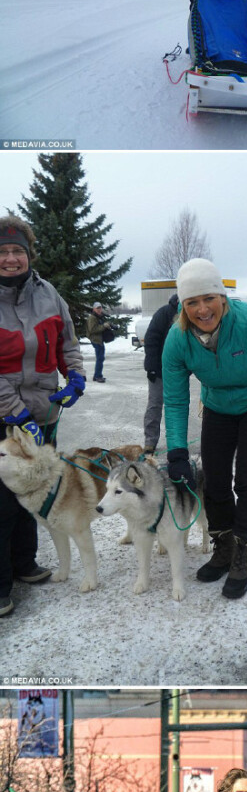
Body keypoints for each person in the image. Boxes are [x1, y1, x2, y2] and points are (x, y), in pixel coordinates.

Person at [162, 257, 247, 599]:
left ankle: (242, 556)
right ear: (183, 306)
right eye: (192, 302)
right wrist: (176, 451)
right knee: (215, 482)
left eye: (209, 298)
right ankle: (224, 548)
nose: (203, 309)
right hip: (218, 408)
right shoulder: (177, 339)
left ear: (222, 296)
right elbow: (175, 399)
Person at [0, 214, 85, 620]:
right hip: (5, 419)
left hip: (44, 414)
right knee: (2, 501)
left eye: (17, 251)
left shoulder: (49, 294)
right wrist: (14, 413)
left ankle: (23, 562)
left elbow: (68, 343)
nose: (10, 259)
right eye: (2, 252)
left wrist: (76, 377)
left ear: (29, 254)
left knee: (32, 493)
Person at [143, 292, 178, 453]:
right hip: (159, 370)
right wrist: (151, 367)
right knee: (155, 404)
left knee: (175, 406)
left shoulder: (191, 313)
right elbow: (151, 339)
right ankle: (150, 441)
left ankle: (176, 442)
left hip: (178, 371)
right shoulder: (164, 313)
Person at [87, 302, 119, 384]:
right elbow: (92, 330)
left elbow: (101, 324)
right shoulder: (92, 318)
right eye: (97, 308)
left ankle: (96, 376)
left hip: (99, 339)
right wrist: (104, 326)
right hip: (96, 340)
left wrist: (109, 324)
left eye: (100, 308)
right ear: (94, 309)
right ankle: (98, 376)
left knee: (100, 358)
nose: (99, 309)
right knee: (100, 358)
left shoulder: (99, 316)